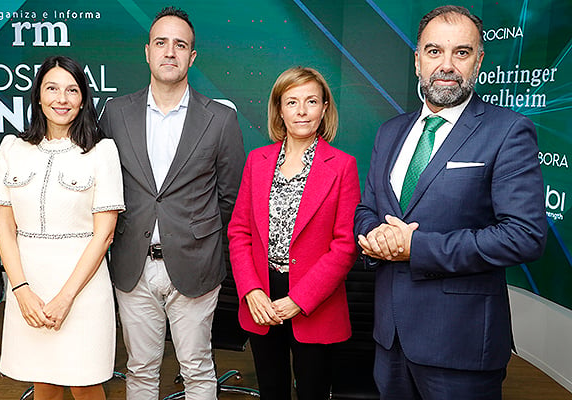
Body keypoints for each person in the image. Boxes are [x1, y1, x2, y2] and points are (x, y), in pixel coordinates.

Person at [354, 5, 548, 400]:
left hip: (460, 345)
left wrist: (417, 248)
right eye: (433, 51)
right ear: (417, 61)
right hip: (390, 340)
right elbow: (366, 211)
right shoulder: (390, 132)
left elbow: (525, 235)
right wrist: (374, 237)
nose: (446, 65)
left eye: (461, 52)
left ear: (478, 61)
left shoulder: (508, 131)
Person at [99, 6, 245, 400]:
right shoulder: (115, 113)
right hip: (133, 264)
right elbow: (104, 186)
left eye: (180, 45)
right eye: (161, 43)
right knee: (140, 370)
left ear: (191, 57)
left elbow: (229, 196)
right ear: (147, 51)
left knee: (198, 370)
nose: (170, 52)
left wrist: (201, 239)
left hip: (196, 266)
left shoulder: (219, 119)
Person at [0, 55, 124, 400]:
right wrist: (20, 290)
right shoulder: (12, 148)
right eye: (52, 88)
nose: (61, 99)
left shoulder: (101, 151)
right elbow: (5, 229)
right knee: (43, 380)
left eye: (71, 90)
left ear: (83, 100)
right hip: (28, 286)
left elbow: (104, 234)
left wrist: (65, 298)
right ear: (37, 96)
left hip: (83, 290)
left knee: (84, 381)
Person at [228, 66, 360, 399]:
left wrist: (300, 300)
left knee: (314, 392)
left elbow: (345, 247)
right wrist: (251, 290)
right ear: (279, 110)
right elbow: (239, 232)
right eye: (292, 102)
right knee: (271, 391)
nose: (301, 111)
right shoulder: (257, 161)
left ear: (325, 108)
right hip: (262, 297)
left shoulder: (343, 166)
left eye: (311, 101)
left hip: (314, 299)